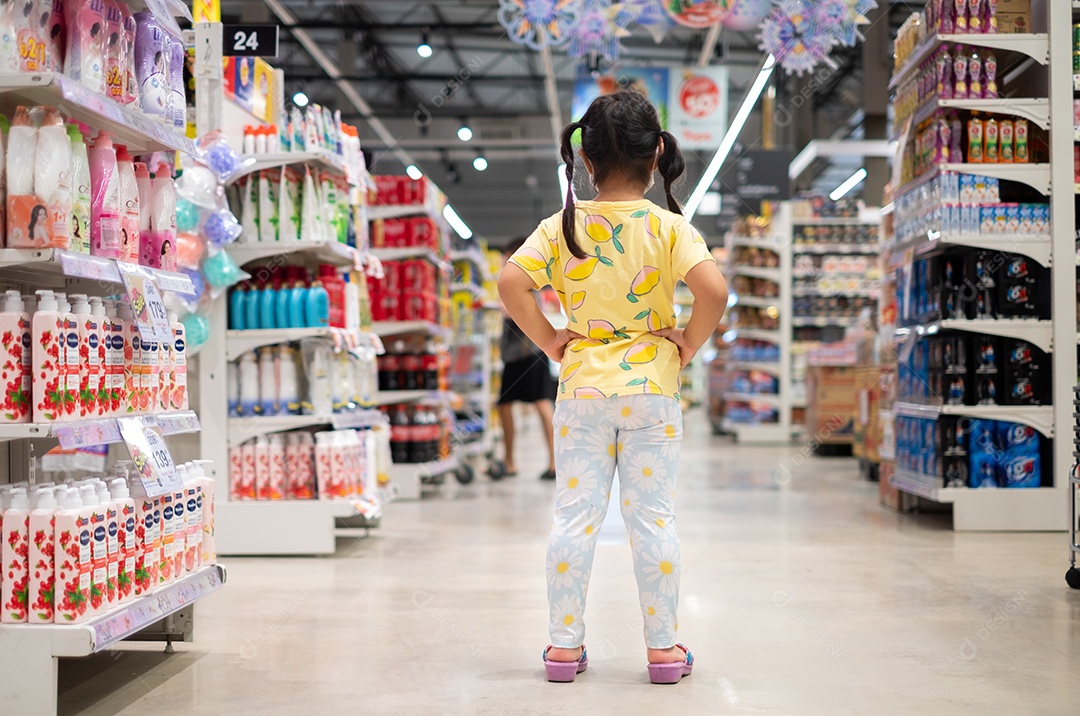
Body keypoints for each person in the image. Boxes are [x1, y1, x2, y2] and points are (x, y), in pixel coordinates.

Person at [498, 90, 728, 684]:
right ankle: (663, 652)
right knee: (653, 520)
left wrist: (552, 341)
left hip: (582, 392)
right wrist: (689, 342)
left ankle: (563, 651)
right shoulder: (671, 228)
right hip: (653, 389)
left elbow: (510, 283)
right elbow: (714, 293)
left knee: (575, 521)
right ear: (656, 155)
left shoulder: (562, 227)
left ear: (588, 162)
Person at [497, 240, 557, 480]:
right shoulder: (519, 281)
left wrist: (495, 307)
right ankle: (510, 460)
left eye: (508, 255)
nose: (504, 261)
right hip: (514, 357)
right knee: (505, 406)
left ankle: (554, 462)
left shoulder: (528, 281)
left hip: (531, 355)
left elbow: (517, 311)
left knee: (542, 404)